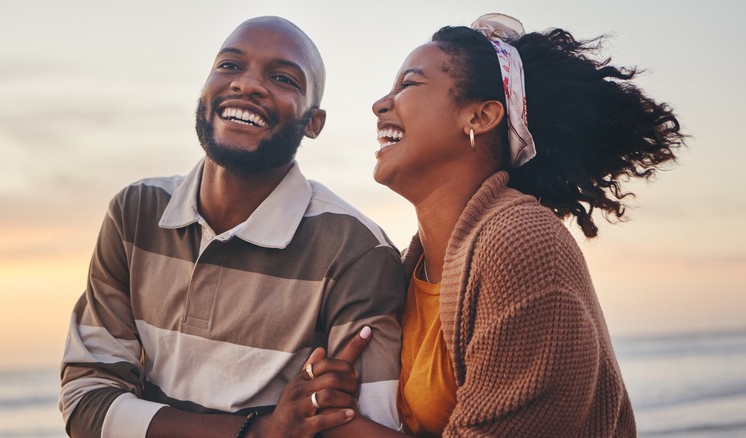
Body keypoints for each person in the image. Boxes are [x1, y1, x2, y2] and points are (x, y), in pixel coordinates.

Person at [313, 13, 684, 437]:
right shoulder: (404, 268)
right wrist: (331, 392)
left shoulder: (522, 241)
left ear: (480, 117)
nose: (381, 104)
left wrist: (336, 427)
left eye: (409, 85)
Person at [58, 16, 405, 438]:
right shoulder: (135, 214)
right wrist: (257, 431)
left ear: (313, 123)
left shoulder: (355, 249)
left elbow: (361, 426)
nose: (247, 84)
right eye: (229, 65)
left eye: (282, 78)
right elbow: (86, 403)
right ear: (204, 89)